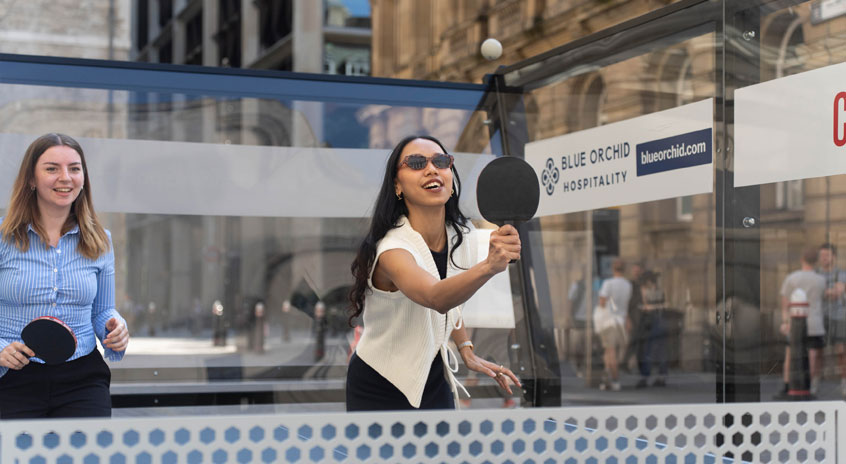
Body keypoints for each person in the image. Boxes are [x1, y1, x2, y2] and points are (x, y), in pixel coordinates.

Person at [346, 135, 521, 411]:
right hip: (379, 385)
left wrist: (465, 348)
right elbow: (436, 297)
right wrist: (488, 266)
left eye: (441, 161)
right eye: (417, 163)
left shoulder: (462, 236)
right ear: (397, 185)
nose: (431, 169)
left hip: (434, 377)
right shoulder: (392, 250)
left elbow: (451, 299)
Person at [0, 133, 129, 418]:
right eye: (52, 168)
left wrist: (114, 327)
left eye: (74, 168)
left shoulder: (101, 241)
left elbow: (103, 311)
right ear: (31, 179)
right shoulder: (3, 238)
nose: (65, 177)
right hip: (11, 376)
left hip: (82, 378)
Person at [779, 247, 826, 396]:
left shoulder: (792, 278)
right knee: (812, 356)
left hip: (795, 323)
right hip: (814, 323)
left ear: (802, 259)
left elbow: (785, 302)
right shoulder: (821, 280)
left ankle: (787, 385)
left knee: (790, 354)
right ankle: (808, 386)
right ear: (816, 261)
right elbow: (824, 296)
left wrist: (785, 321)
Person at [596, 258, 632, 391]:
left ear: (613, 269)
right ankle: (607, 379)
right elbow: (626, 305)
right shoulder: (628, 285)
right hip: (621, 321)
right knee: (609, 352)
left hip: (608, 321)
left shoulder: (608, 283)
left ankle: (615, 380)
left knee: (610, 353)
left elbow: (602, 302)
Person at [817, 243, 846, 397]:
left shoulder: (842, 274)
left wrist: (828, 292)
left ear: (833, 257)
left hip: (839, 316)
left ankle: (844, 382)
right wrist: (831, 291)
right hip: (820, 317)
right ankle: (814, 383)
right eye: (822, 255)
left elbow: (840, 291)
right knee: (817, 351)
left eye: (827, 255)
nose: (824, 258)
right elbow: (816, 293)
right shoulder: (815, 274)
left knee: (841, 351)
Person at [636, 270, 668, 388]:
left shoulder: (646, 291)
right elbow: (663, 304)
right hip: (661, 321)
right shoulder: (660, 290)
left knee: (648, 350)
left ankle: (645, 376)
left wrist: (643, 306)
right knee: (660, 350)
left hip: (651, 322)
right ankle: (662, 376)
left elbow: (645, 306)